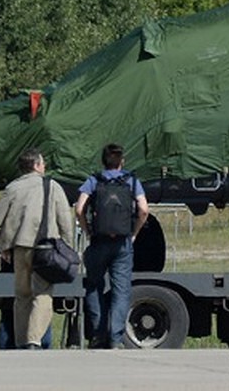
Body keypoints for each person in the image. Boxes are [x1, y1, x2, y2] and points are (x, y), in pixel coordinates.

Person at [0, 147, 74, 349]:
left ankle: (21, 341)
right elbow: (64, 218)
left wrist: (3, 246)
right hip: (46, 248)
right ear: (37, 165)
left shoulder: (12, 188)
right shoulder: (52, 186)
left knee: (21, 295)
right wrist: (67, 245)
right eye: (43, 162)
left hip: (20, 247)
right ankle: (34, 340)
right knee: (43, 293)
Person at [74, 143, 149, 349]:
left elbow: (79, 208)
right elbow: (143, 210)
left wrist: (87, 229)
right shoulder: (132, 181)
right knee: (121, 290)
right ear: (121, 162)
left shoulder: (93, 180)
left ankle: (98, 335)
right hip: (122, 243)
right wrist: (134, 233)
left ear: (103, 161)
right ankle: (115, 338)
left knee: (94, 286)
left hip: (98, 241)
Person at [0, 210, 51, 350]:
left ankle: (9, 346)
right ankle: (40, 343)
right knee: (40, 306)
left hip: (14, 274)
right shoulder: (39, 220)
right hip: (38, 270)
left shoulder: (14, 219)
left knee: (11, 314)